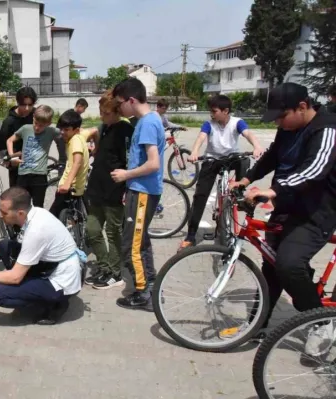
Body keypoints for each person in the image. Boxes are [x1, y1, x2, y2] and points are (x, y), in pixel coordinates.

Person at [228, 83, 336, 354]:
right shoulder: (288, 127)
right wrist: (247, 178)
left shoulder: (327, 129)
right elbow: (273, 155)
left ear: (302, 107)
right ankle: (259, 323)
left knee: (288, 264)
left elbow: (314, 170)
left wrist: (273, 190)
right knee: (271, 266)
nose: (278, 122)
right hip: (286, 205)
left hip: (316, 211)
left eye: (281, 116)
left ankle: (321, 322)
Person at [0, 187, 82, 325]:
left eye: (4, 212)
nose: (0, 215)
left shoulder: (36, 230)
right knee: (4, 246)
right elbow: (20, 244)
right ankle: (33, 290)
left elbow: (15, 277)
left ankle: (54, 304)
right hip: (53, 264)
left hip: (62, 281)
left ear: (20, 213)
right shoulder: (35, 212)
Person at [177, 95, 264, 250]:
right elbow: (200, 138)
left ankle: (239, 192)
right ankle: (191, 235)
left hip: (232, 159)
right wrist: (195, 152)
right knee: (200, 197)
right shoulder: (209, 124)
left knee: (244, 160)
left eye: (214, 111)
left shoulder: (237, 123)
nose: (212, 114)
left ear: (226, 111)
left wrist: (257, 146)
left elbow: (248, 134)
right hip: (212, 161)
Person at [110, 78, 164, 310]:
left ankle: (143, 293)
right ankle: (150, 285)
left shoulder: (148, 123)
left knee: (131, 245)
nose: (119, 109)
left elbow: (153, 164)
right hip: (139, 191)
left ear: (131, 100)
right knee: (140, 242)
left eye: (120, 103)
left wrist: (126, 175)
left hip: (143, 191)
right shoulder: (147, 121)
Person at [84, 95, 134, 289]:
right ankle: (104, 265)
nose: (102, 116)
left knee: (113, 232)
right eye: (101, 112)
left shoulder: (125, 129)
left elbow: (130, 160)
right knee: (92, 230)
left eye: (106, 113)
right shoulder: (105, 128)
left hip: (114, 189)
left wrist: (127, 187)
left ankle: (115, 272)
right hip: (96, 188)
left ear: (117, 112)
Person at [6, 105, 59, 207]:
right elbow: (9, 140)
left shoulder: (51, 131)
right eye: (36, 123)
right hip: (23, 174)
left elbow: (67, 133)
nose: (37, 127)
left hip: (39, 176)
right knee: (21, 206)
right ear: (33, 117)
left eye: (41, 125)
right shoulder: (25, 129)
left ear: (48, 123)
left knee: (38, 207)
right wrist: (12, 157)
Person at [48, 110, 96, 218]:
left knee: (52, 217)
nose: (62, 132)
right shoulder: (80, 136)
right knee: (76, 217)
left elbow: (77, 162)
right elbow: (94, 130)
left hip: (69, 188)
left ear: (76, 130)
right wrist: (95, 148)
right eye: (61, 129)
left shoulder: (75, 141)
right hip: (77, 188)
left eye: (66, 130)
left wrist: (67, 184)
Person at [0, 87, 37, 187]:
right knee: (16, 194)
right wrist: (10, 161)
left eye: (30, 105)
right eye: (23, 105)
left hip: (33, 162)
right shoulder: (9, 122)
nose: (27, 108)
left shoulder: (35, 115)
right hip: (17, 164)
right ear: (18, 103)